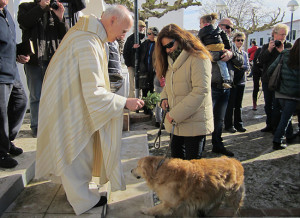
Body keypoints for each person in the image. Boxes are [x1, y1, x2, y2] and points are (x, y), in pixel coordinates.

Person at [34, 5, 144, 215]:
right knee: (77, 150)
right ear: (112, 20)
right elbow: (93, 93)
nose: (123, 37)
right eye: (123, 30)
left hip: (65, 101)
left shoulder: (86, 34)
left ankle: (75, 192)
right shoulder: (88, 41)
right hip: (71, 106)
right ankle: (82, 200)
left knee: (73, 149)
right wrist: (124, 102)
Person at [155, 24, 214, 160]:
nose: (168, 49)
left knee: (192, 169)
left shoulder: (199, 57)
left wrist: (174, 114)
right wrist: (164, 98)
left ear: (180, 39)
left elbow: (201, 91)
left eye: (169, 45)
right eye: (164, 47)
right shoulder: (171, 60)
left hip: (194, 122)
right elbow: (169, 86)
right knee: (177, 167)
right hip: (176, 122)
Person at [17, 0, 69, 137]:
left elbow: (65, 36)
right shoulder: (26, 7)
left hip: (53, 61)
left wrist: (60, 17)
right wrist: (40, 8)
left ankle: (55, 126)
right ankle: (37, 127)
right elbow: (24, 22)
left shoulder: (54, 9)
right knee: (36, 96)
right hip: (34, 61)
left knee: (55, 95)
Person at [0, 0, 29, 168]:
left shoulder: (6, 14)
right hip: (1, 73)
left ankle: (6, 140)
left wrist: (20, 54)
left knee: (20, 103)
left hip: (12, 70)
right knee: (1, 115)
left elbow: (8, 44)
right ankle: (1, 152)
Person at [210, 18, 244, 157]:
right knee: (205, 118)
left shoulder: (231, 43)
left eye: (231, 28)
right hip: (211, 86)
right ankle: (197, 147)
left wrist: (232, 54)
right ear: (219, 26)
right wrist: (220, 54)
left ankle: (217, 144)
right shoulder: (209, 39)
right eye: (228, 27)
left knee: (219, 119)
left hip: (226, 86)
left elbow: (241, 61)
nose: (230, 30)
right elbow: (203, 56)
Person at [258, 24, 292, 133]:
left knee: (278, 106)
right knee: (268, 105)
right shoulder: (267, 46)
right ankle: (269, 124)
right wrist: (269, 49)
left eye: (285, 35)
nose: (283, 37)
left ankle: (276, 127)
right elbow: (260, 61)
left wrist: (282, 52)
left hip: (282, 81)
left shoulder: (288, 46)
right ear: (274, 34)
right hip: (268, 80)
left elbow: (291, 63)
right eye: (281, 34)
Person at [266, 38, 299, 150]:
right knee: (286, 118)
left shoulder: (285, 54)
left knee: (285, 116)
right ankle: (277, 140)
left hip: (280, 92)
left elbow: (271, 69)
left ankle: (289, 136)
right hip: (294, 94)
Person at [224, 32, 250, 133]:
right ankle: (228, 125)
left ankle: (239, 124)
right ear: (234, 41)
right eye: (238, 40)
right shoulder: (231, 53)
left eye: (242, 40)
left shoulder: (244, 54)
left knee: (238, 105)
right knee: (230, 105)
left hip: (241, 82)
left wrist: (241, 66)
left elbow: (247, 66)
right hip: (232, 82)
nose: (240, 42)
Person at [198, 13, 231, 88]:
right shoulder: (218, 29)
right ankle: (227, 80)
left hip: (210, 48)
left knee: (208, 64)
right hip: (220, 47)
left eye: (200, 23)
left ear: (205, 23)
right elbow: (225, 38)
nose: (199, 26)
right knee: (222, 64)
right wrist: (227, 47)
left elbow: (200, 42)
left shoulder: (202, 31)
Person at [139, 27, 159, 115]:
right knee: (144, 88)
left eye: (150, 33)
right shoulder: (145, 44)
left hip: (154, 70)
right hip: (145, 70)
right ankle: (145, 108)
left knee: (151, 89)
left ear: (154, 34)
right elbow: (139, 54)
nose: (148, 35)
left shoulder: (158, 44)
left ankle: (150, 108)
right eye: (147, 33)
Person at [123, 20, 146, 98]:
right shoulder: (131, 38)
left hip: (142, 66)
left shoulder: (145, 39)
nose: (141, 28)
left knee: (141, 84)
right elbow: (125, 52)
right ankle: (132, 100)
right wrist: (128, 64)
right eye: (140, 26)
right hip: (132, 65)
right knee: (132, 84)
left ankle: (139, 100)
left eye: (143, 27)